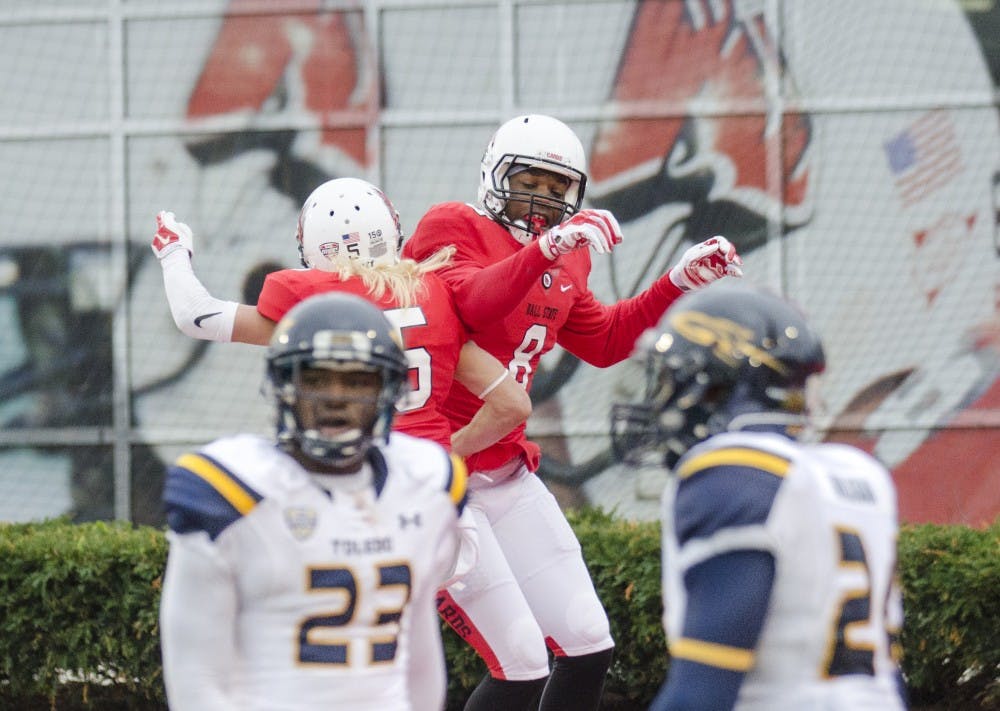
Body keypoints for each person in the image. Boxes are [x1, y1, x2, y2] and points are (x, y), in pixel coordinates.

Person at [401, 113, 744, 711]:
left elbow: (605, 341)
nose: (544, 199)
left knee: (588, 642)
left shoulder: (566, 256)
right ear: (495, 176)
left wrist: (675, 283)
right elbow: (474, 305)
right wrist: (546, 248)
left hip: (504, 468)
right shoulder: (451, 225)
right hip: (440, 472)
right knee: (521, 662)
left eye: (560, 189)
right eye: (531, 180)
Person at [159, 292, 469, 711]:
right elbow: (197, 680)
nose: (335, 396)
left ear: (388, 390)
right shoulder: (230, 493)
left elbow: (419, 654)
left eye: (357, 380)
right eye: (316, 378)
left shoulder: (428, 484)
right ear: (285, 385)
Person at [609, 283, 907, 710]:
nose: (662, 400)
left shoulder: (735, 474)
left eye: (674, 379)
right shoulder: (858, 476)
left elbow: (704, 691)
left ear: (717, 387)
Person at [151, 177, 530, 457]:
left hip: (354, 478)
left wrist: (173, 252)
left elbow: (194, 316)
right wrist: (448, 454)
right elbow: (512, 405)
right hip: (433, 488)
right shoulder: (435, 293)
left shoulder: (315, 303)